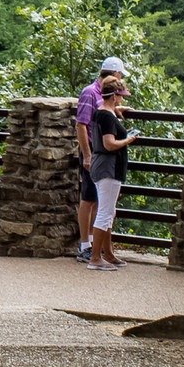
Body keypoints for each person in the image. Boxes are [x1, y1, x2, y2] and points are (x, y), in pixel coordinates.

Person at [75, 56, 127, 262]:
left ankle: (96, 247)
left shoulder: (103, 96)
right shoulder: (89, 93)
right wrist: (86, 154)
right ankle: (85, 246)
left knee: (100, 202)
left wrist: (117, 111)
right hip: (93, 152)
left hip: (98, 153)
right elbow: (81, 124)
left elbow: (101, 113)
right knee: (88, 199)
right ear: (114, 75)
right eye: (120, 75)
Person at [86, 75, 139, 271]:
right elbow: (109, 144)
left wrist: (117, 112)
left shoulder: (103, 113)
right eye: (120, 96)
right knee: (105, 212)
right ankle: (95, 258)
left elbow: (107, 118)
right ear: (115, 96)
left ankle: (107, 254)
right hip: (108, 166)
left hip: (103, 165)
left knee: (109, 211)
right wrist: (129, 139)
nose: (122, 100)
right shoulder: (107, 116)